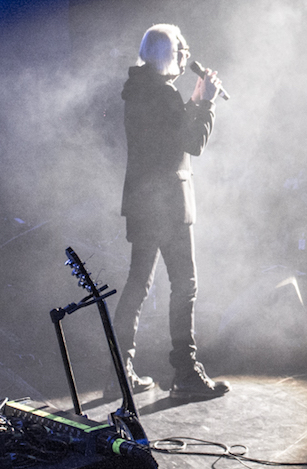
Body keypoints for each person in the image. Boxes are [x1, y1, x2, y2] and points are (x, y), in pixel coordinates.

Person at [113, 23, 229, 402]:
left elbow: (171, 140)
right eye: (181, 48)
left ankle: (122, 369)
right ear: (169, 55)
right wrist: (205, 101)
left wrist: (193, 100)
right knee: (184, 286)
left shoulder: (138, 90)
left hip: (144, 204)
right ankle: (185, 372)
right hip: (168, 205)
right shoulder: (162, 95)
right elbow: (192, 143)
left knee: (138, 285)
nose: (187, 54)